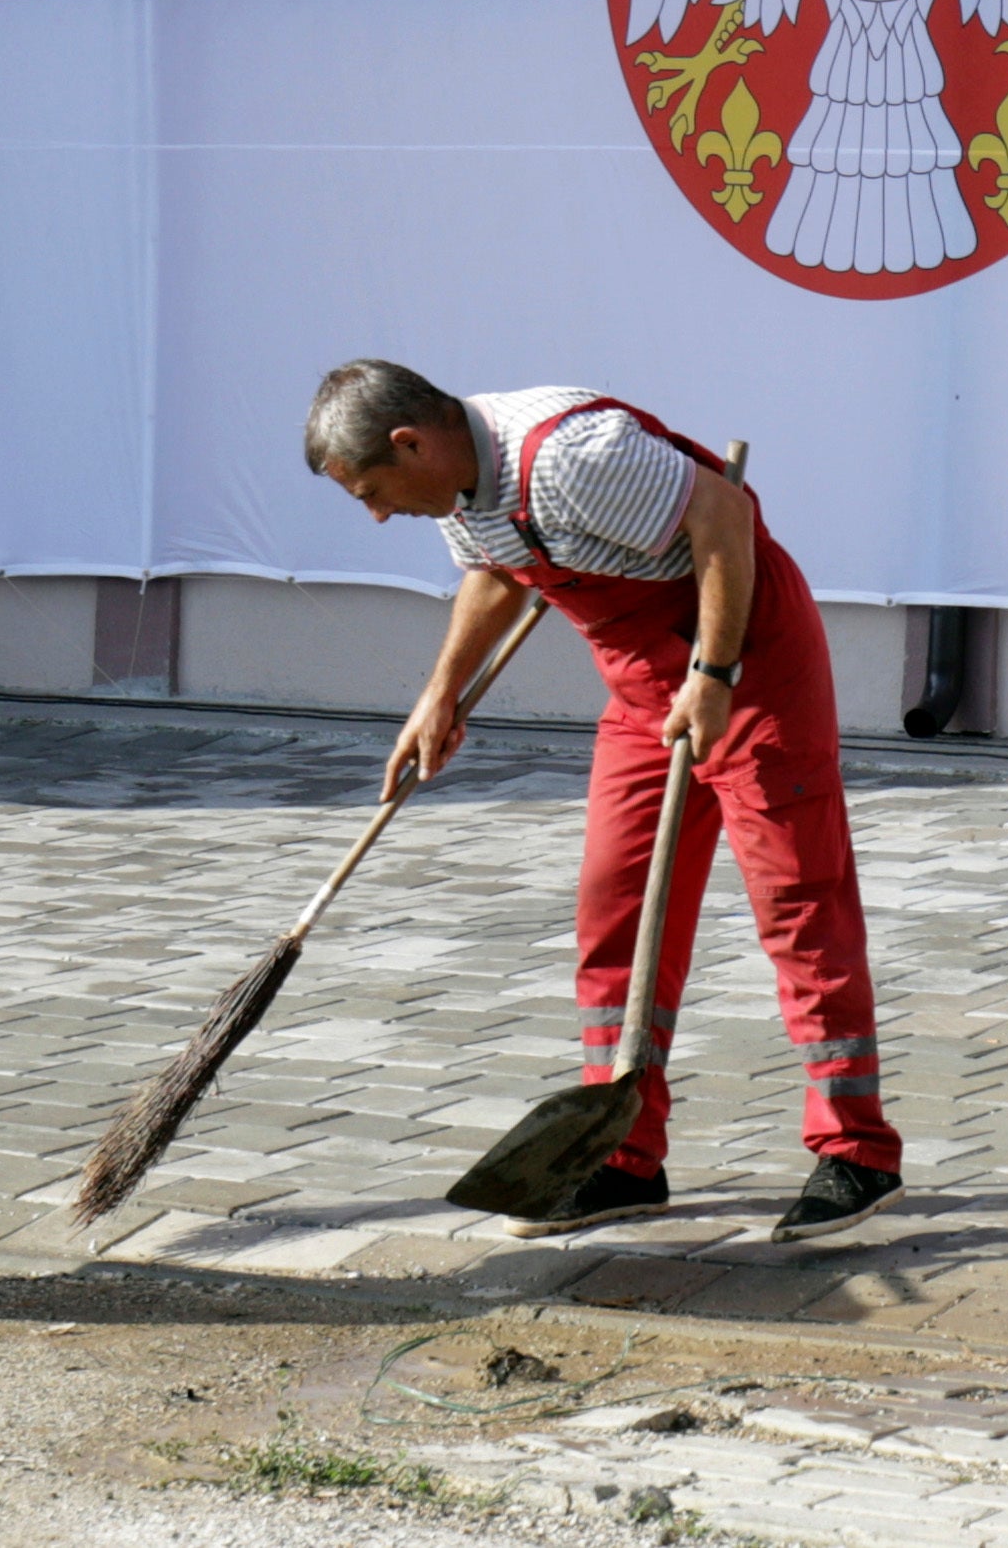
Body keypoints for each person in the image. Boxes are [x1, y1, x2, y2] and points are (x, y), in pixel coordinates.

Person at [306, 359, 902, 1241]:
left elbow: (724, 519)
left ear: (411, 442)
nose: (378, 513)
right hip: (639, 687)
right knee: (612, 908)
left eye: (373, 490)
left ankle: (857, 1153)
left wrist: (713, 674)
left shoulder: (572, 454)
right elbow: (500, 572)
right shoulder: (463, 489)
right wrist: (442, 693)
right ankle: (623, 1158)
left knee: (796, 904)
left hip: (749, 665)